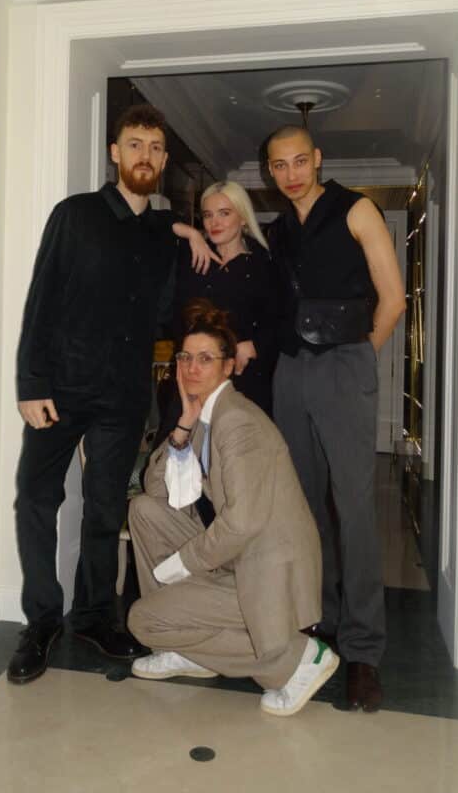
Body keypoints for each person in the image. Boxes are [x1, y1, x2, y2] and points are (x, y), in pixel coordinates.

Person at [8, 103, 217, 684]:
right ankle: (42, 620)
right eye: (134, 144)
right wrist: (31, 383)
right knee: (36, 499)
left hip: (123, 396)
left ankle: (94, 616)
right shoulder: (74, 215)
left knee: (104, 508)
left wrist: (187, 231)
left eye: (154, 147)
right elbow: (42, 298)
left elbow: (168, 308)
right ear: (114, 152)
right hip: (61, 389)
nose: (144, 156)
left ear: (164, 159)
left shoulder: (161, 234)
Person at [127, 300, 338, 717]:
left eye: (205, 359)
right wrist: (183, 427)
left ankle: (296, 657)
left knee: (143, 621)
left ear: (228, 367)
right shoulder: (204, 417)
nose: (191, 368)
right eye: (185, 357)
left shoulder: (237, 422)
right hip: (239, 558)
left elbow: (242, 523)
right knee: (145, 511)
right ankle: (184, 650)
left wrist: (182, 564)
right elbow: (156, 489)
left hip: (268, 570)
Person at [263, 124, 406, 713]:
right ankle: (317, 621)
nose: (291, 174)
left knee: (354, 507)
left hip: (345, 363)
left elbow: (393, 299)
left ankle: (364, 650)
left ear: (318, 159)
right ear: (270, 171)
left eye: (300, 161)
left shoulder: (357, 209)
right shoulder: (277, 232)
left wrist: (358, 358)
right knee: (304, 505)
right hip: (290, 371)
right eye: (279, 165)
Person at [173, 180, 277, 415]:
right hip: (194, 376)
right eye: (208, 215)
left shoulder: (264, 264)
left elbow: (281, 319)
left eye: (224, 213)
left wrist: (255, 345)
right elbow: (153, 225)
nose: (214, 222)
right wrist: (191, 233)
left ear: (243, 218)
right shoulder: (190, 257)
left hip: (245, 379)